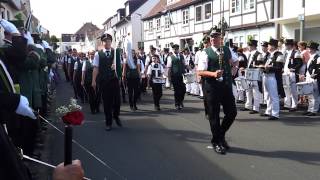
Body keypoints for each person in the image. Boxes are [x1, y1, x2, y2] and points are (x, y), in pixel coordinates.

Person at [197, 27, 237, 155]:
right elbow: (200, 71)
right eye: (212, 37)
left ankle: (220, 135)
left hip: (226, 86)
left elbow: (234, 62)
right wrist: (213, 74)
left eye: (216, 37)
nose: (214, 39)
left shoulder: (226, 49)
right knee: (214, 116)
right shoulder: (206, 52)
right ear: (210, 39)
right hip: (212, 87)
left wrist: (234, 70)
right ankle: (216, 142)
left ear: (221, 39)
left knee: (232, 113)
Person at [92, 33, 122, 131]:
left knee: (117, 101)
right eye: (105, 41)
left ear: (111, 42)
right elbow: (96, 68)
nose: (107, 43)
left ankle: (116, 115)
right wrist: (93, 81)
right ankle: (108, 122)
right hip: (104, 81)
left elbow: (120, 66)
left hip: (114, 80)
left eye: (108, 41)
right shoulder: (98, 54)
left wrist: (117, 70)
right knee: (107, 103)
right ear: (102, 42)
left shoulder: (116, 53)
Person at [262, 38, 285, 120]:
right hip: (266, 75)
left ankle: (275, 114)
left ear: (272, 46)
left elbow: (279, 68)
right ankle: (268, 111)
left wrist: (269, 68)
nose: (267, 46)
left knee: (274, 96)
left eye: (268, 45)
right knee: (267, 95)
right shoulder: (268, 54)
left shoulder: (279, 54)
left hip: (273, 77)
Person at [241, 39, 263, 114]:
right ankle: (248, 105)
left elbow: (260, 65)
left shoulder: (258, 54)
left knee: (255, 92)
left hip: (255, 75)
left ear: (253, 46)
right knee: (248, 90)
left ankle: (256, 107)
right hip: (249, 74)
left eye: (249, 46)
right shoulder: (250, 54)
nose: (248, 47)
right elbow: (249, 64)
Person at [282, 39, 303, 112]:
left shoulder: (296, 53)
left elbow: (300, 63)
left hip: (292, 73)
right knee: (286, 89)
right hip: (285, 72)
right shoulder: (287, 53)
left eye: (286, 45)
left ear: (290, 45)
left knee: (293, 90)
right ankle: (287, 104)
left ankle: (294, 105)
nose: (285, 46)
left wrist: (294, 69)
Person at [167, 44, 186, 110]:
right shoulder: (170, 57)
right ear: (173, 50)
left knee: (183, 90)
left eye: (177, 49)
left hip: (182, 76)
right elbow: (169, 68)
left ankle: (181, 101)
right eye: (174, 49)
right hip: (175, 76)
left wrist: (191, 70)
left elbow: (184, 64)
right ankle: (177, 104)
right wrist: (169, 77)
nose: (176, 50)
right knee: (177, 91)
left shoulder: (182, 56)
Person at [303, 41, 320, 116]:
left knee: (315, 95)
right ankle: (310, 109)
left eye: (310, 48)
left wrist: (315, 75)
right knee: (309, 94)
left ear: (314, 49)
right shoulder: (311, 57)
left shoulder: (318, 57)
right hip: (309, 77)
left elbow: (319, 69)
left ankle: (314, 110)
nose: (308, 50)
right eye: (308, 48)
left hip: (314, 78)